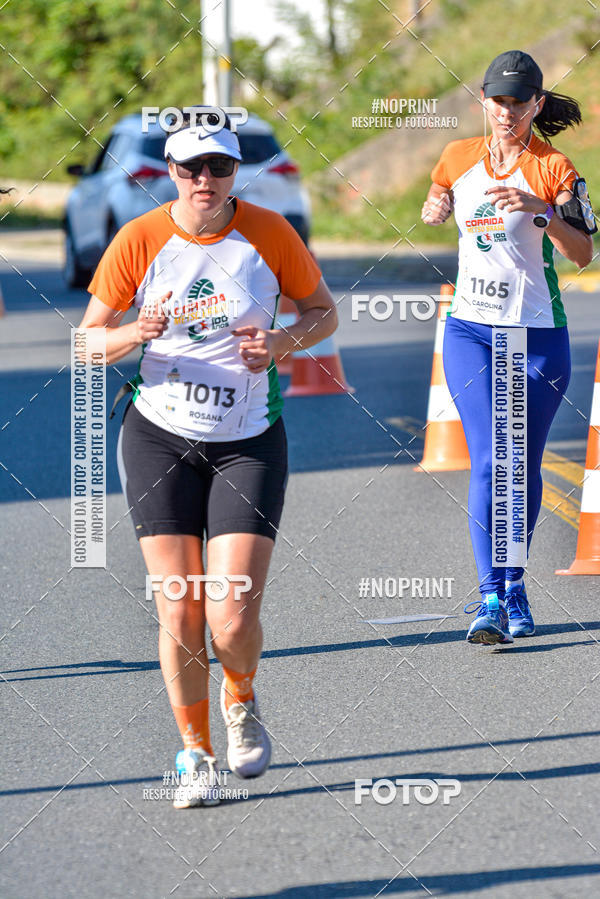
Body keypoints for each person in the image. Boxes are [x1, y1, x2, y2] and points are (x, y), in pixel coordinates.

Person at [78, 108, 338, 806]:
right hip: (159, 435)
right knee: (181, 611)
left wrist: (282, 344)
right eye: (191, 167)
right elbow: (86, 341)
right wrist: (134, 330)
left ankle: (241, 699)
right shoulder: (139, 239)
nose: (205, 179)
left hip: (247, 438)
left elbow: (322, 311)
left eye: (219, 167)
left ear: (233, 173)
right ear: (171, 172)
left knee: (230, 614)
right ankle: (195, 754)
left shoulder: (268, 232)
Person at [422, 50, 595, 645]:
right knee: (492, 459)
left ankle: (514, 584)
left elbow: (584, 254)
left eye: (520, 102)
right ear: (483, 101)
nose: (507, 111)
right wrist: (436, 204)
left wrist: (542, 213)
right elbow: (441, 190)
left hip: (538, 333)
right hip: (471, 330)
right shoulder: (457, 155)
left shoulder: (556, 168)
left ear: (536, 105)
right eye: (499, 100)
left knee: (520, 464)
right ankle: (490, 595)